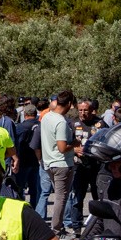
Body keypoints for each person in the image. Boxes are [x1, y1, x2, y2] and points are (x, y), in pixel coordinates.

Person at [40, 91, 74, 232]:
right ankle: (57, 229)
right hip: (61, 164)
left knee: (59, 196)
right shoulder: (60, 121)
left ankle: (56, 227)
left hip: (48, 162)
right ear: (69, 104)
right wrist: (75, 144)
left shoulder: (46, 117)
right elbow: (62, 147)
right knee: (61, 198)